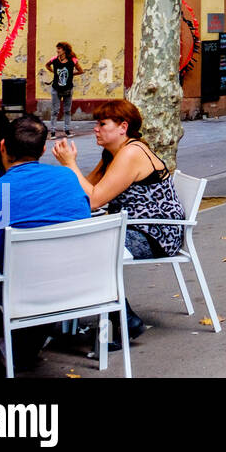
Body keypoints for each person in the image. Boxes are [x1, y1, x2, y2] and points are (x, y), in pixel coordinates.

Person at [51, 99, 185, 345]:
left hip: (155, 232)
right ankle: (123, 319)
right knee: (78, 244)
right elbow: (86, 189)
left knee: (87, 250)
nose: (95, 129)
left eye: (102, 124)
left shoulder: (131, 153)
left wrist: (70, 164)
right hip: (132, 226)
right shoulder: (112, 154)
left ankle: (124, 319)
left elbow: (92, 200)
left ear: (123, 127)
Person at [0, 114, 91, 370]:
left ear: (2, 146)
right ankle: (20, 343)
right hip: (76, 285)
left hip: (20, 290)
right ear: (43, 149)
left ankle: (13, 345)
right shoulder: (70, 178)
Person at [44, 42, 84, 137]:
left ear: (64, 50)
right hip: (56, 89)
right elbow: (47, 65)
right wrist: (54, 72)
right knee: (55, 111)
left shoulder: (73, 60)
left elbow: (81, 71)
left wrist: (70, 74)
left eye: (59, 49)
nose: (57, 51)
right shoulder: (54, 59)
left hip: (68, 90)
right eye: (57, 48)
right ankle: (53, 132)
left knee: (67, 111)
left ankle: (67, 130)